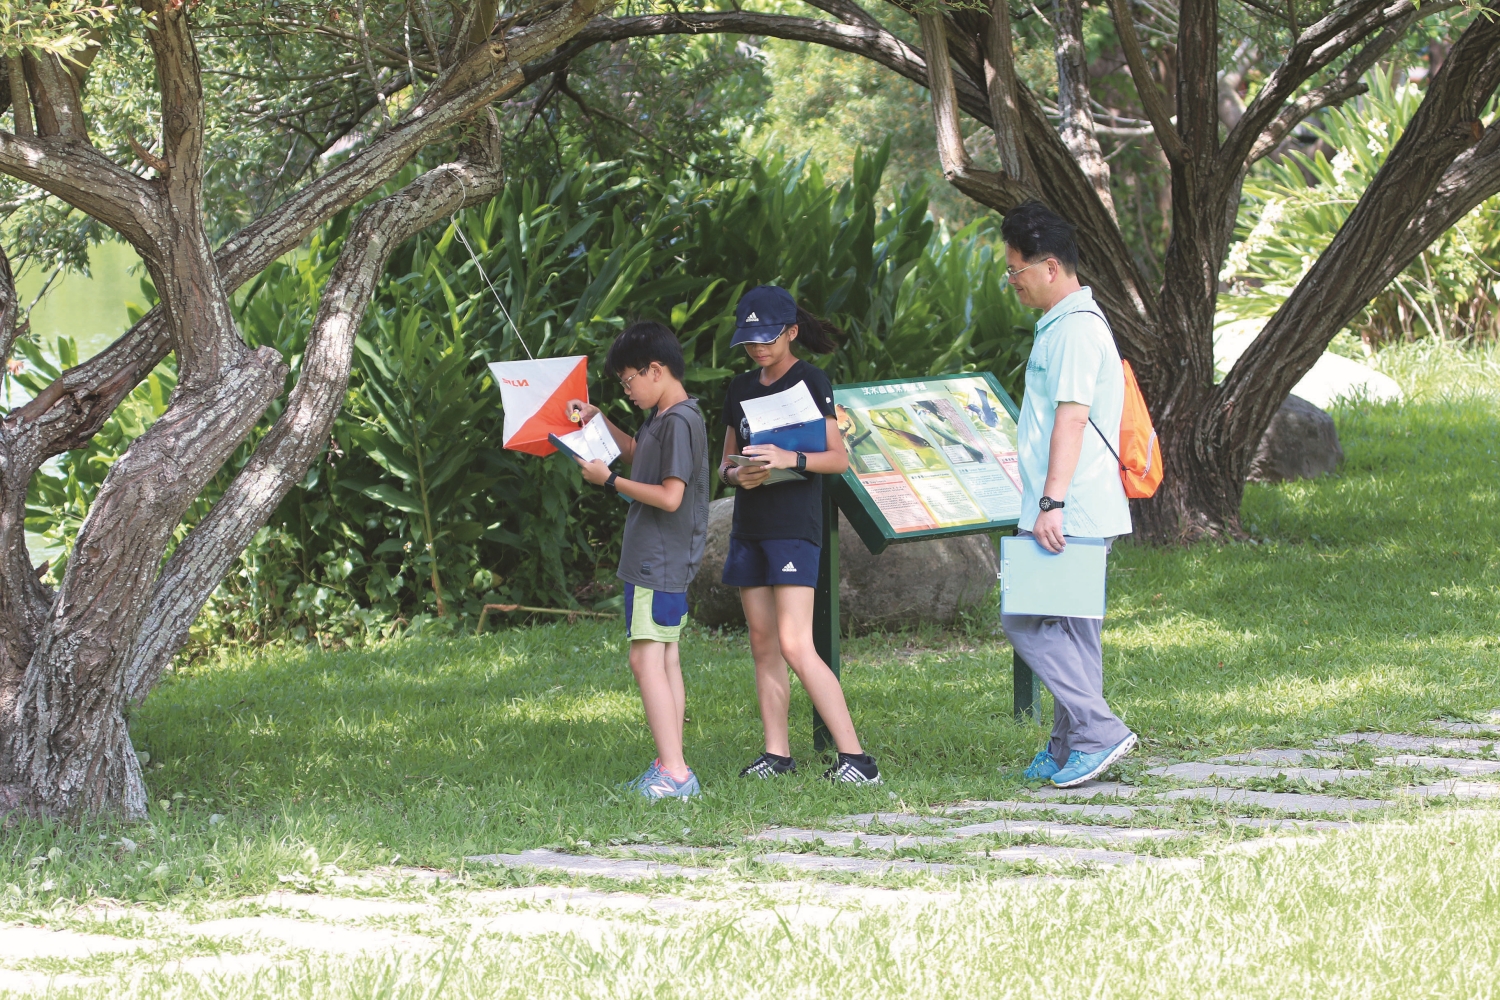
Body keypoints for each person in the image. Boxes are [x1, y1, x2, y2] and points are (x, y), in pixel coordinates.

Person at [1000, 201, 1138, 789]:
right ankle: (1067, 745)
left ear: (1049, 266)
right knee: (1074, 632)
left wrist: (1050, 503)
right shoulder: (1065, 323)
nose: (1013, 281)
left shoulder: (1077, 330)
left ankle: (1101, 731)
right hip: (1072, 504)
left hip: (1072, 506)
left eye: (1016, 271)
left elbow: (1072, 421)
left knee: (1025, 620)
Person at [718, 285, 880, 784]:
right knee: (764, 642)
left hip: (794, 528)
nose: (758, 349)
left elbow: (837, 458)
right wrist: (735, 475)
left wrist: (791, 459)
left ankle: (857, 760)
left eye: (767, 339)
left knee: (795, 642)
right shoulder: (740, 389)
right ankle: (777, 755)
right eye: (749, 341)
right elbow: (725, 460)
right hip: (751, 525)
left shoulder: (811, 381)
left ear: (791, 332)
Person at [567, 321, 711, 799]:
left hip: (657, 561)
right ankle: (672, 764)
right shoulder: (662, 418)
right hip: (657, 559)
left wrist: (607, 482)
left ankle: (674, 774)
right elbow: (635, 453)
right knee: (665, 657)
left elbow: (670, 497)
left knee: (645, 659)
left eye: (629, 380)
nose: (627, 390)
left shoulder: (679, 422)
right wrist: (597, 419)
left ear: (656, 369)